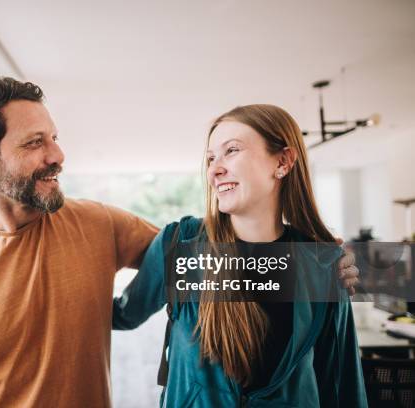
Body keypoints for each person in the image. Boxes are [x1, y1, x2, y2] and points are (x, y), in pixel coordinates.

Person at [0, 78, 360, 407]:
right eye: (35, 142)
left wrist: (315, 262)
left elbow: (201, 264)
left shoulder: (100, 224)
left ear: (284, 162)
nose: (57, 155)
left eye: (54, 137)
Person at [113, 104, 367, 407]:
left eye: (231, 151)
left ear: (283, 162)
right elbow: (122, 314)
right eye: (210, 158)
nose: (214, 169)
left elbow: (341, 381)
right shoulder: (180, 243)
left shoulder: (322, 263)